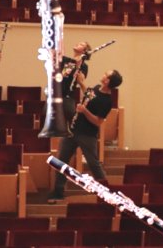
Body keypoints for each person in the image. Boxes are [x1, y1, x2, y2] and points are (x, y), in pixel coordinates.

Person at [47, 69, 122, 203]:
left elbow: (98, 121)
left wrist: (84, 110)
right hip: (73, 130)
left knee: (94, 164)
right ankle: (58, 193)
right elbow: (89, 94)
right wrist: (81, 82)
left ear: (108, 81)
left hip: (87, 135)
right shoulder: (97, 88)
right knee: (62, 161)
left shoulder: (107, 101)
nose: (103, 74)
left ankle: (106, 194)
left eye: (106, 74)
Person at [58, 42, 92, 124]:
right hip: (57, 93)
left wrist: (78, 66)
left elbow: (80, 80)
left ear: (84, 51)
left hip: (68, 96)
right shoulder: (66, 60)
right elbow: (63, 75)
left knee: (68, 120)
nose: (77, 43)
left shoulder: (84, 66)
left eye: (81, 44)